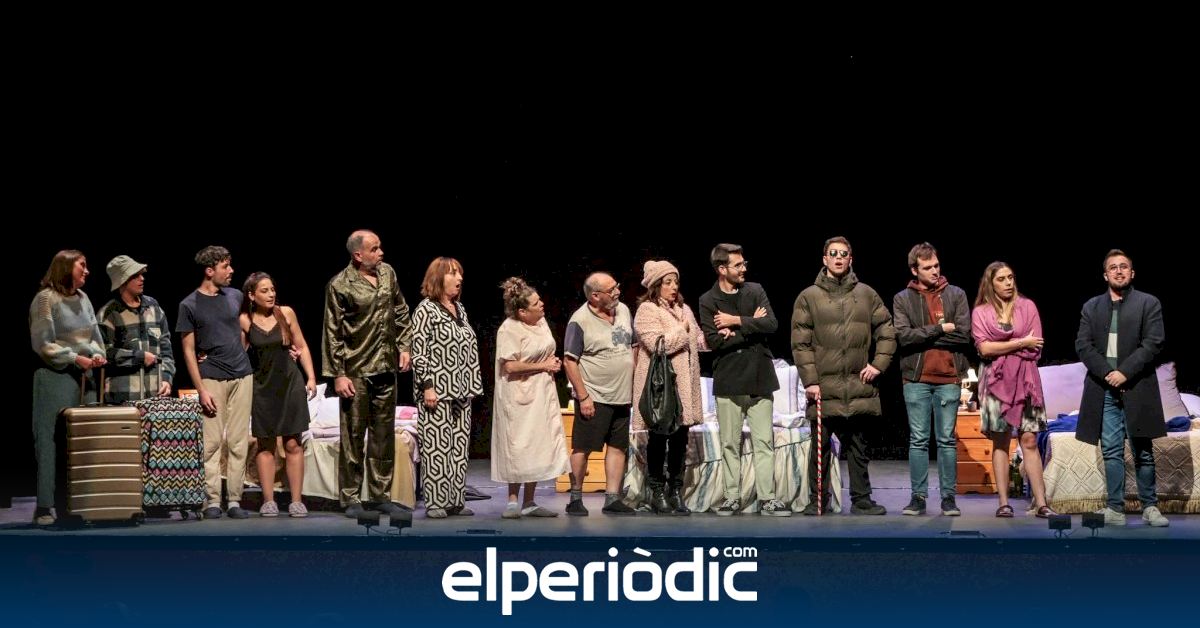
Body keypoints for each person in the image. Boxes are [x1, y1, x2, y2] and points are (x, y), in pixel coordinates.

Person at [791, 236, 895, 516]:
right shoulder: (808, 297)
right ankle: (818, 500)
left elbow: (887, 329)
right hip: (824, 388)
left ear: (851, 259)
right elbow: (800, 344)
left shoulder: (866, 294)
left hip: (858, 385)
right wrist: (811, 381)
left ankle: (861, 500)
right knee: (821, 448)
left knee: (859, 448)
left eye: (844, 254)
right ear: (824, 259)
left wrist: (878, 365)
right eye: (833, 253)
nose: (838, 258)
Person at [322, 230, 413, 518]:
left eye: (380, 247)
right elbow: (332, 332)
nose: (381, 253)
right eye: (374, 249)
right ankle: (350, 497)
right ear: (358, 255)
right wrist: (338, 374)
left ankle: (379, 495)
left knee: (383, 436)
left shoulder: (388, 274)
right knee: (353, 435)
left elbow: (401, 311)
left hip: (385, 366)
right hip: (356, 370)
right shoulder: (340, 285)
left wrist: (404, 346)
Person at [1075, 249, 1169, 527]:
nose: (1119, 271)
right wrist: (1108, 374)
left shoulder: (1148, 303)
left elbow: (1153, 342)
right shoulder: (1092, 307)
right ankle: (1115, 508)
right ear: (1105, 275)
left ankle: (1150, 507)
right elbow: (1083, 345)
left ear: (1132, 272)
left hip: (1137, 385)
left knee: (1143, 450)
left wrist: (1125, 373)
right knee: (1111, 449)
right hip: (1104, 387)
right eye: (1113, 267)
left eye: (1124, 266)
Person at [700, 244, 791, 517]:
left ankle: (767, 498)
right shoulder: (708, 300)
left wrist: (735, 321)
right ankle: (731, 497)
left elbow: (771, 325)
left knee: (764, 442)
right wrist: (752, 323)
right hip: (728, 378)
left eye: (744, 263)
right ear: (722, 269)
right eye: (738, 265)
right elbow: (715, 342)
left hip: (759, 376)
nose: (743, 269)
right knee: (730, 443)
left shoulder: (755, 290)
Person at [892, 243, 972, 517]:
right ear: (915, 270)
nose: (935, 271)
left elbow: (963, 336)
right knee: (918, 440)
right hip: (916, 378)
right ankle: (918, 497)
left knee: (946, 440)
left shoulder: (956, 294)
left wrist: (924, 335)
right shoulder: (902, 299)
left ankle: (948, 498)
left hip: (949, 377)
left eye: (936, 265)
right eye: (927, 267)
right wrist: (939, 329)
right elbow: (904, 337)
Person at [970, 261, 1055, 518]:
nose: (1008, 283)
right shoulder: (981, 313)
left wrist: (1005, 346)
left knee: (1029, 440)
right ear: (990, 284)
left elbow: (1035, 347)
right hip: (996, 384)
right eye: (1002, 279)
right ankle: (1004, 503)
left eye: (1010, 277)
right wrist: (1020, 342)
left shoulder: (1027, 307)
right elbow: (984, 349)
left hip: (1026, 381)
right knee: (1001, 441)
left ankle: (1041, 503)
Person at [29, 250, 107, 526]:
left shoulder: (83, 298)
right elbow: (43, 343)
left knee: (83, 441)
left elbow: (94, 336)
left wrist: (96, 355)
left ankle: (79, 505)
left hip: (85, 377)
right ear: (66, 267)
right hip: (56, 376)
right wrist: (74, 357)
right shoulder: (46, 299)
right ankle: (45, 506)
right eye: (82, 265)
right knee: (50, 441)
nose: (87, 271)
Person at [177, 245, 254, 520]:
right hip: (211, 378)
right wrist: (200, 389)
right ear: (210, 271)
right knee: (211, 443)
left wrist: (240, 350)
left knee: (238, 442)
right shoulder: (189, 305)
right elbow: (188, 350)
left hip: (242, 375)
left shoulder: (235, 296)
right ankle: (211, 500)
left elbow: (245, 327)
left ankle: (234, 500)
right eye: (225, 266)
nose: (231, 271)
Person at [240, 272, 317, 518]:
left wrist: (311, 377)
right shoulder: (245, 320)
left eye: (272, 289)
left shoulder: (286, 313)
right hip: (262, 388)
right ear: (251, 295)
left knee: (293, 443)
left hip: (290, 384)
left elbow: (301, 346)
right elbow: (238, 355)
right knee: (266, 445)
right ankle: (268, 501)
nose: (271, 294)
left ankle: (296, 501)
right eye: (264, 290)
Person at [411, 257, 483, 519]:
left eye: (460, 273)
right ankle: (436, 502)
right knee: (437, 448)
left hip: (462, 391)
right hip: (437, 391)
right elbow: (419, 352)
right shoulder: (425, 310)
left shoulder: (459, 309)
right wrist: (428, 386)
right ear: (438, 278)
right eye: (453, 273)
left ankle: (455, 500)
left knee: (459, 448)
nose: (459, 278)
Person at [491, 277, 568, 519]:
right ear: (522, 312)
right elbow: (510, 366)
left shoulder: (541, 322)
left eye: (539, 300)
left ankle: (530, 502)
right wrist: (543, 365)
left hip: (541, 392)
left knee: (537, 443)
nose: (542, 304)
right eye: (536, 303)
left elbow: (545, 352)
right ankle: (513, 501)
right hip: (517, 395)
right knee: (518, 444)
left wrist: (552, 363)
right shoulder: (509, 329)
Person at [632, 260, 705, 515]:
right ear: (655, 285)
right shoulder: (647, 310)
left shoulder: (684, 309)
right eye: (668, 282)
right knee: (659, 438)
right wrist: (682, 330)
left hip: (683, 386)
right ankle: (657, 492)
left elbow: (698, 340)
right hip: (661, 387)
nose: (674, 287)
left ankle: (675, 491)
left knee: (680, 439)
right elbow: (658, 345)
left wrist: (716, 337)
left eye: (676, 282)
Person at [562, 272, 637, 516]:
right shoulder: (580, 320)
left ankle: (612, 498)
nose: (617, 292)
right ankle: (575, 498)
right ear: (595, 296)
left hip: (622, 395)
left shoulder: (623, 310)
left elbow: (634, 345)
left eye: (617, 286)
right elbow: (569, 361)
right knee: (583, 447)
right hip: (594, 396)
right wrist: (583, 397)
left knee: (617, 447)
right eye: (611, 289)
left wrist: (632, 374)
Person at [98, 255, 174, 403]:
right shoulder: (109, 313)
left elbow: (166, 348)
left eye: (141, 274)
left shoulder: (153, 307)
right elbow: (103, 352)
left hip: (156, 396)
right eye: (135, 276)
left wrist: (166, 378)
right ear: (122, 281)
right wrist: (138, 357)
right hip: (123, 398)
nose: (142, 279)